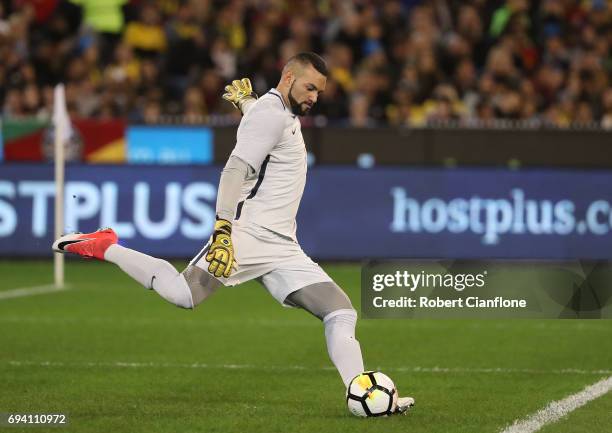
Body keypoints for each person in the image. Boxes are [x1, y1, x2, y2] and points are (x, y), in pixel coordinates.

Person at [52, 52, 414, 414]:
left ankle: (365, 394)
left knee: (340, 311)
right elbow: (234, 170)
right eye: (309, 88)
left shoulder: (274, 111)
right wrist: (223, 231)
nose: (314, 97)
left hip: (282, 245)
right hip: (247, 234)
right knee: (183, 295)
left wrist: (246, 103)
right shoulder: (271, 114)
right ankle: (105, 246)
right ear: (287, 77)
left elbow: (263, 124)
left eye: (318, 92)